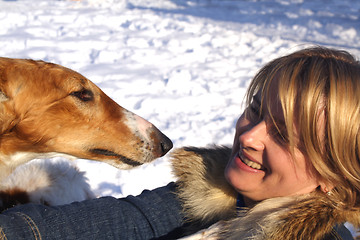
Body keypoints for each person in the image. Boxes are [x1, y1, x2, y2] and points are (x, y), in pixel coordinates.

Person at [0, 46, 358, 239]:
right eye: (255, 109)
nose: (249, 136)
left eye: (282, 133)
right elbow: (115, 222)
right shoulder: (211, 196)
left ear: (333, 175)